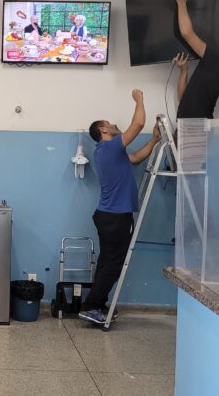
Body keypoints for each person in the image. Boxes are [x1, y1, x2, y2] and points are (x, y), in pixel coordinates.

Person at [79, 89, 161, 325]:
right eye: (110, 123)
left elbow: (135, 158)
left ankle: (97, 305)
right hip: (115, 218)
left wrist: (155, 141)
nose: (115, 125)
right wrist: (139, 99)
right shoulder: (109, 147)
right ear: (103, 129)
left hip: (109, 216)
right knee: (114, 265)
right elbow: (139, 123)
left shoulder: (110, 152)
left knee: (107, 262)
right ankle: (91, 306)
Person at [173, 0, 219, 120]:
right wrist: (183, 71)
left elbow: (186, 32)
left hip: (198, 129)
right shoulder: (210, 65)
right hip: (188, 127)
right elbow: (182, 98)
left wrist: (181, 2)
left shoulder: (215, 60)